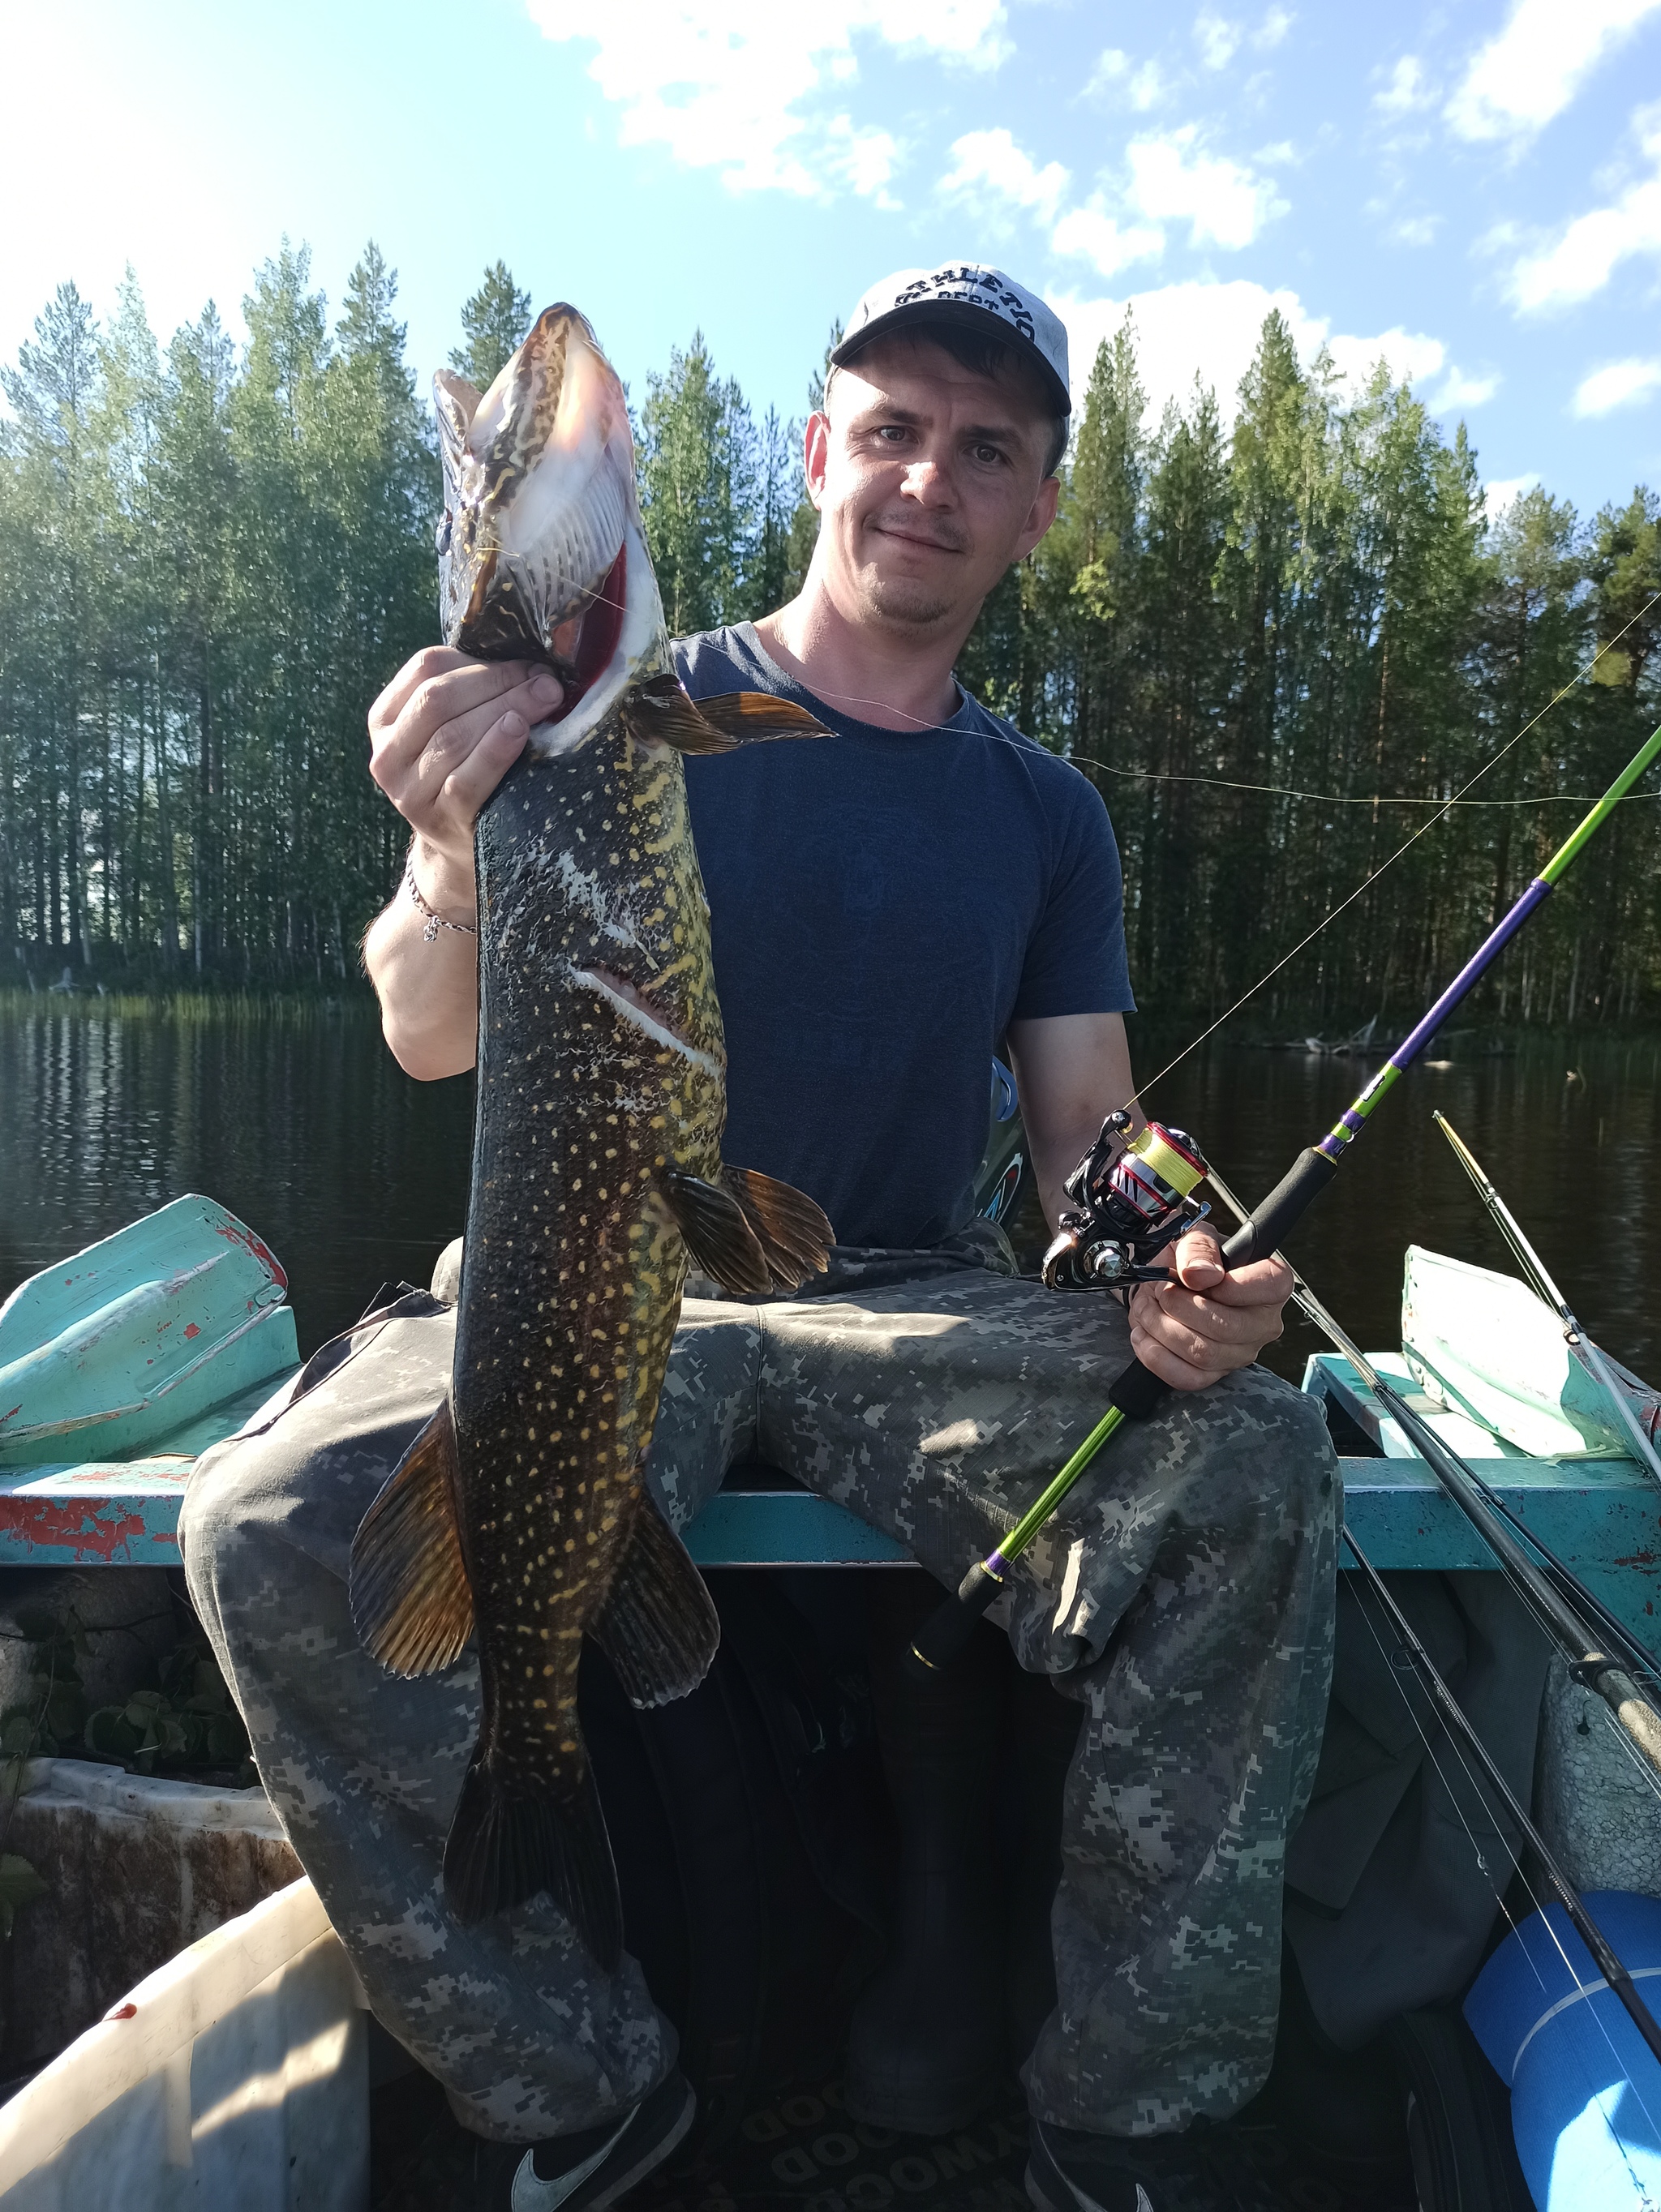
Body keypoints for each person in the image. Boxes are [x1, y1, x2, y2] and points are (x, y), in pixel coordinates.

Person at [181, 263, 1337, 2212]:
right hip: (604, 1263)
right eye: (888, 429)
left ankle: (1128, 2115)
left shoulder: (1042, 813)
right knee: (267, 1521)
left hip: (911, 1293)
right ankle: (572, 2078)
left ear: (1037, 501)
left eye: (986, 448)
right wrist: (452, 839)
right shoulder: (595, 709)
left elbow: (1082, 1126)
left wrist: (1171, 1250)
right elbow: (422, 1023)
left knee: (1254, 1465)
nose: (926, 479)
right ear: (819, 451)